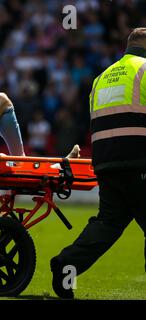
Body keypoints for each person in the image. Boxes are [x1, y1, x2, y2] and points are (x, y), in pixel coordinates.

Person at [50, 28, 146, 299]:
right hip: (139, 160)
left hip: (106, 163)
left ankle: (66, 263)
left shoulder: (101, 78)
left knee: (108, 224)